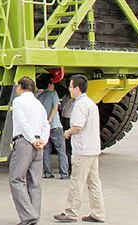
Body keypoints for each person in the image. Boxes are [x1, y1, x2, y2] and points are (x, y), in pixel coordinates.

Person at [54, 75, 106, 223]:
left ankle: (71, 212)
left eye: (71, 87)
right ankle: (98, 213)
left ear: (77, 88)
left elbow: (77, 126)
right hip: (93, 149)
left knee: (77, 181)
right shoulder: (90, 103)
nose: (69, 90)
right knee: (94, 183)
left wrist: (67, 132)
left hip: (82, 150)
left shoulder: (80, 105)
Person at [9, 76, 50, 225]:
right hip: (38, 144)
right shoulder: (38, 104)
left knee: (16, 179)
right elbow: (46, 124)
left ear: (20, 86)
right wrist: (42, 141)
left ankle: (28, 215)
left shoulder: (18, 101)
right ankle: (34, 217)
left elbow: (22, 122)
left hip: (24, 142)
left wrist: (32, 140)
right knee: (35, 182)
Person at [37, 73, 69, 179]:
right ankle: (64, 173)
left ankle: (48, 172)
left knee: (46, 151)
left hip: (44, 128)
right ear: (50, 84)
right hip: (55, 126)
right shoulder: (53, 94)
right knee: (61, 150)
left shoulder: (40, 97)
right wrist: (50, 120)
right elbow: (55, 107)